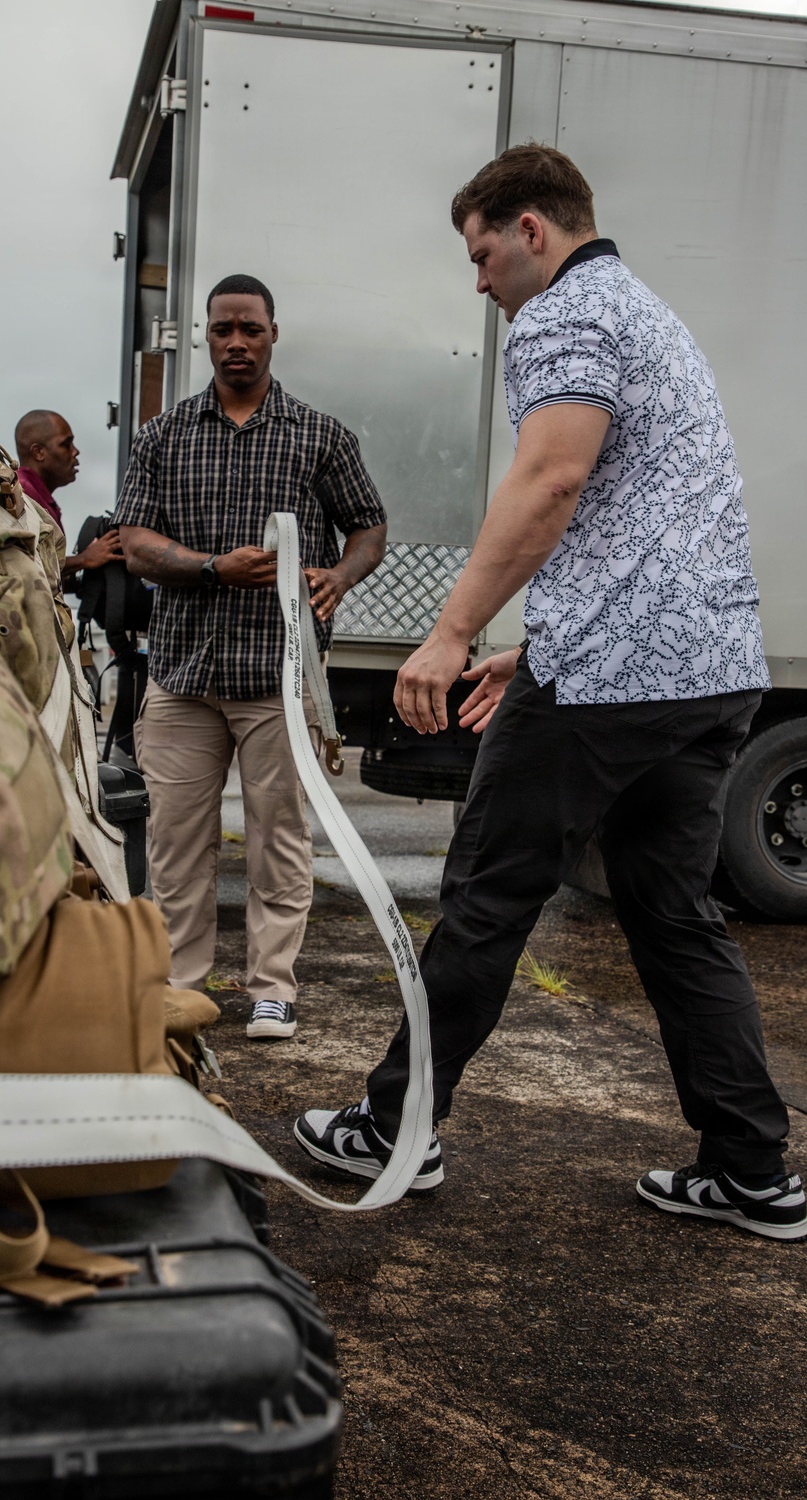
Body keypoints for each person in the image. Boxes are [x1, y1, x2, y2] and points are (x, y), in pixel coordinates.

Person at [294, 145, 807, 1241]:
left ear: (532, 229)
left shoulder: (566, 317)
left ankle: (396, 1130)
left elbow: (554, 478)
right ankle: (752, 1170)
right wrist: (530, 650)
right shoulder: (648, 316)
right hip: (705, 674)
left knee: (486, 897)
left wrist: (449, 631)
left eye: (482, 254)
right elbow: (642, 517)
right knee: (676, 918)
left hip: (610, 679)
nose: (476, 282)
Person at [114, 273, 387, 1040]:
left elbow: (368, 525)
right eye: (223, 329)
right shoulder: (165, 435)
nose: (237, 343)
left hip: (278, 677)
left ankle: (273, 988)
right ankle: (180, 988)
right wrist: (208, 568)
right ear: (205, 335)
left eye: (251, 330)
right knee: (176, 843)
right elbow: (133, 543)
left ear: (273, 334)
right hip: (183, 677)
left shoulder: (319, 435)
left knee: (278, 837)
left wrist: (341, 573)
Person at [14, 408, 123, 584]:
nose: (75, 452)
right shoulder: (22, 493)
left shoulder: (34, 494)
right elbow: (26, 562)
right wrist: (85, 559)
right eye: (66, 445)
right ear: (38, 453)